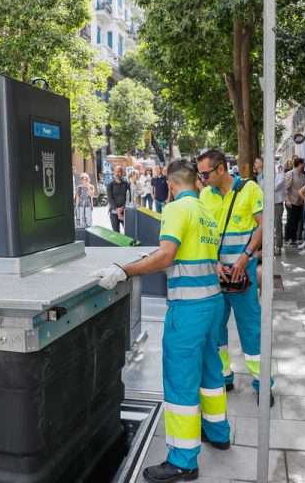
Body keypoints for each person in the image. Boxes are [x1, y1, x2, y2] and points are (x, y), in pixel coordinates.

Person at [91, 160, 230, 483]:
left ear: (170, 183)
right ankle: (218, 432)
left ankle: (183, 460)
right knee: (211, 370)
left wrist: (124, 270)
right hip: (213, 303)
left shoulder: (177, 209)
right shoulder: (206, 210)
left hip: (188, 308)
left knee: (181, 381)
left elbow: (167, 255)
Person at [197, 150, 267, 396]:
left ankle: (262, 381)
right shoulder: (205, 195)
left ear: (220, 169)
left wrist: (245, 257)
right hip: (216, 274)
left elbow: (263, 225)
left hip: (242, 273)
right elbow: (203, 233)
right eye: (200, 174)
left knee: (251, 327)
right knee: (216, 328)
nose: (202, 179)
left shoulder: (250, 189)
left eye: (205, 174)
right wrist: (214, 262)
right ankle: (223, 375)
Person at [284, 158, 305, 246]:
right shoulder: (290, 174)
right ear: (299, 164)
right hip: (291, 201)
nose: (304, 165)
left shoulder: (303, 175)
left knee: (296, 220)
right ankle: (287, 238)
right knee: (290, 221)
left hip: (299, 202)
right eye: (303, 164)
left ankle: (293, 238)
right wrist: (287, 200)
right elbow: (285, 188)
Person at [107, 165, 130, 233]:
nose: (117, 173)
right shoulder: (110, 184)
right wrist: (117, 210)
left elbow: (128, 197)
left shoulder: (126, 184)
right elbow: (110, 198)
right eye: (116, 172)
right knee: (116, 233)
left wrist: (122, 207)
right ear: (114, 172)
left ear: (122, 173)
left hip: (125, 211)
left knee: (128, 231)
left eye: (119, 172)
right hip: (114, 212)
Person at [274, 163, 285, 256]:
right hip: (266, 204)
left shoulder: (280, 175)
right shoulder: (263, 176)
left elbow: (275, 187)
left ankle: (278, 246)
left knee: (277, 225)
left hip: (277, 203)